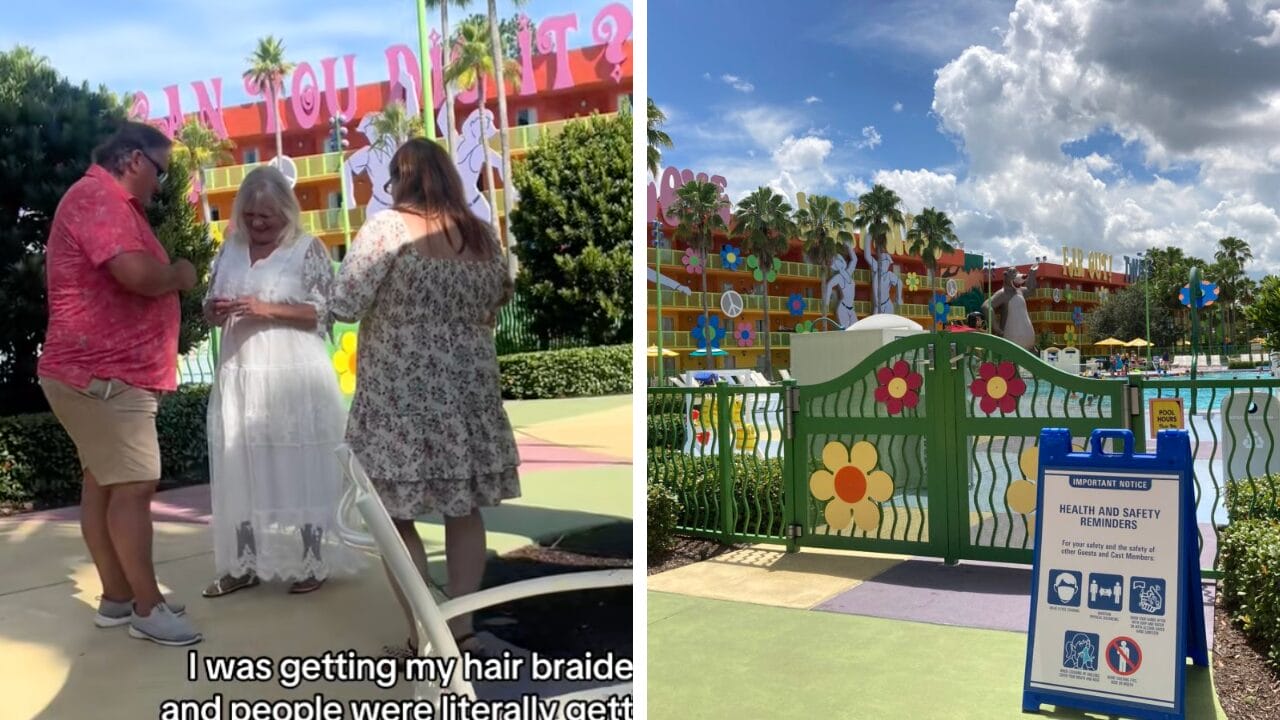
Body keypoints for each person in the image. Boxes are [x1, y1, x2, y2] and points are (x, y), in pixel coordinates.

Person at [330, 138, 520, 659]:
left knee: (395, 516)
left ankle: (424, 634)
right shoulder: (480, 235)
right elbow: (498, 296)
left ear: (399, 179)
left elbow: (345, 303)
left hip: (399, 398)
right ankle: (462, 629)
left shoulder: (387, 228)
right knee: (464, 512)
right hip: (468, 394)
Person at [37, 121, 202, 646]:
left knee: (104, 484)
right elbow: (134, 273)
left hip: (101, 375)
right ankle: (147, 609)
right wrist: (178, 273)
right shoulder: (98, 198)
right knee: (132, 488)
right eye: (160, 172)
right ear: (133, 160)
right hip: (105, 376)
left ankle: (116, 597)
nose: (161, 184)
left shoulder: (103, 201)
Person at [201, 166, 362, 598]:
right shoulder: (229, 250)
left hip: (294, 378)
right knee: (241, 465)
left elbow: (327, 311)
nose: (257, 224)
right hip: (240, 376)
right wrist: (214, 311)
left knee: (301, 463)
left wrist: (265, 309)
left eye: (266, 218)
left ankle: (313, 560)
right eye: (249, 216)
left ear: (286, 213)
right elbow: (208, 304)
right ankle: (244, 562)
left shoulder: (307, 250)